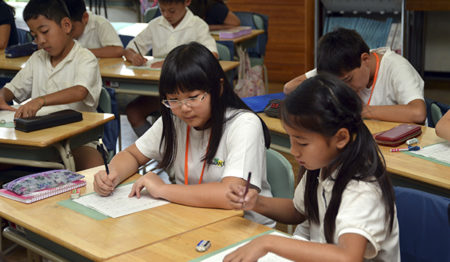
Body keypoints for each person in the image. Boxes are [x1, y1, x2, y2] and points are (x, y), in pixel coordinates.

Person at [94, 42, 274, 226]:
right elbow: (132, 154)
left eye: (193, 97)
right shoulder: (174, 119)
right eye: (173, 99)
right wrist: (111, 175)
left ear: (218, 88)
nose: (184, 108)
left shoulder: (243, 124)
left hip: (244, 229)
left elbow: (230, 195)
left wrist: (163, 189)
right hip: (191, 218)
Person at [225, 74, 399, 261]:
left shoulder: (362, 189)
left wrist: (269, 242)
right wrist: (256, 202)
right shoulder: (323, 165)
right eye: (291, 139)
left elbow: (348, 257)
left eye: (302, 143)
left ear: (341, 138)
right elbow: (299, 210)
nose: (293, 151)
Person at [0, 0, 103, 170]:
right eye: (34, 36)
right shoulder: (37, 59)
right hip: (37, 139)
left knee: (93, 168)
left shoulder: (85, 58)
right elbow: (12, 89)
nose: (40, 41)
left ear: (66, 25)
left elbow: (80, 91)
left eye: (45, 32)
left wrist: (40, 100)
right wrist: (2, 95)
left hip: (76, 142)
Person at [284, 28, 426, 125]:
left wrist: (361, 110)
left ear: (365, 59)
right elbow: (289, 88)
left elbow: (418, 113)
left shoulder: (396, 67)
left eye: (348, 80)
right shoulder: (339, 64)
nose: (345, 88)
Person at [124, 0, 218, 137]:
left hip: (187, 93)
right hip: (158, 91)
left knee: (180, 114)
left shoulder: (197, 25)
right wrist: (133, 56)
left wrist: (172, 62)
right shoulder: (156, 24)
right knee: (134, 111)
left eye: (172, 11)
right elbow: (129, 48)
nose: (167, 15)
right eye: (162, 10)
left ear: (186, 2)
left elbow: (212, 55)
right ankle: (160, 149)